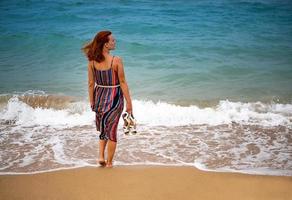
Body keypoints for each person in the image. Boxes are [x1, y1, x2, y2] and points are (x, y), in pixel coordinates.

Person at [81, 30, 133, 168]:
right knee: (112, 130)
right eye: (113, 40)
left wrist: (92, 101)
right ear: (105, 44)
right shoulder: (116, 60)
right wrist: (129, 103)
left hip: (99, 97)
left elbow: (91, 84)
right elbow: (122, 82)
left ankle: (100, 157)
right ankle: (109, 163)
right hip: (115, 98)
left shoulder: (92, 62)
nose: (114, 42)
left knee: (103, 129)